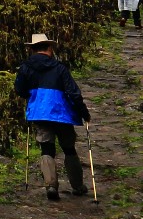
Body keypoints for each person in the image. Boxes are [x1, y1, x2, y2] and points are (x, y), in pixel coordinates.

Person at [15, 32, 91, 201]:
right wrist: (83, 112)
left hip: (39, 112)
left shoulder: (25, 67)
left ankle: (51, 186)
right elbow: (73, 93)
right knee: (69, 148)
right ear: (49, 48)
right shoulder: (59, 68)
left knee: (46, 148)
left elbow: (19, 90)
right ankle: (78, 186)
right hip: (61, 112)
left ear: (32, 50)